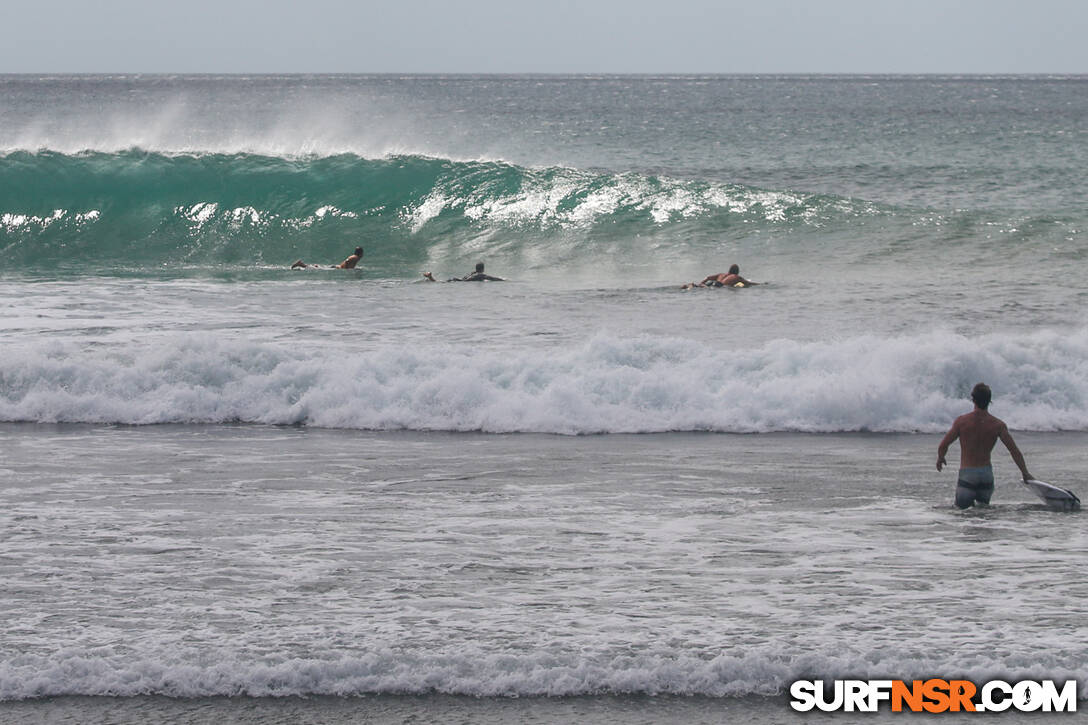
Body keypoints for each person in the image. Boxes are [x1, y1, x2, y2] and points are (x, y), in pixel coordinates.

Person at [936, 382, 1033, 509]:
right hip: (986, 475)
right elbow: (1014, 451)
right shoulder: (998, 425)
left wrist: (940, 457)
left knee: (961, 514)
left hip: (968, 474)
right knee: (983, 515)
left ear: (973, 399)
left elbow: (943, 445)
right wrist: (1025, 473)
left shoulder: (962, 422)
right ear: (989, 401)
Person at [682, 264, 757, 289]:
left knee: (699, 287)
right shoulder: (736, 277)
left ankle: (690, 286)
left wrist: (701, 283)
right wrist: (761, 285)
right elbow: (748, 283)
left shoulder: (721, 274)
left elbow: (708, 278)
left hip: (713, 282)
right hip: (719, 286)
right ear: (737, 272)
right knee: (707, 289)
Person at [423, 262, 505, 282]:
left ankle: (431, 277)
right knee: (440, 283)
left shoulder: (472, 273)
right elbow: (491, 278)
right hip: (461, 282)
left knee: (442, 282)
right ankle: (430, 277)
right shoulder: (481, 275)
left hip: (458, 280)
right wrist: (502, 280)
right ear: (482, 269)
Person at [292, 246, 363, 269]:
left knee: (318, 268)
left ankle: (302, 264)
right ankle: (301, 264)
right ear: (360, 253)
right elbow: (347, 261)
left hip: (336, 267)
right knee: (317, 269)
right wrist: (345, 268)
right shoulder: (355, 257)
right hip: (336, 268)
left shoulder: (354, 257)